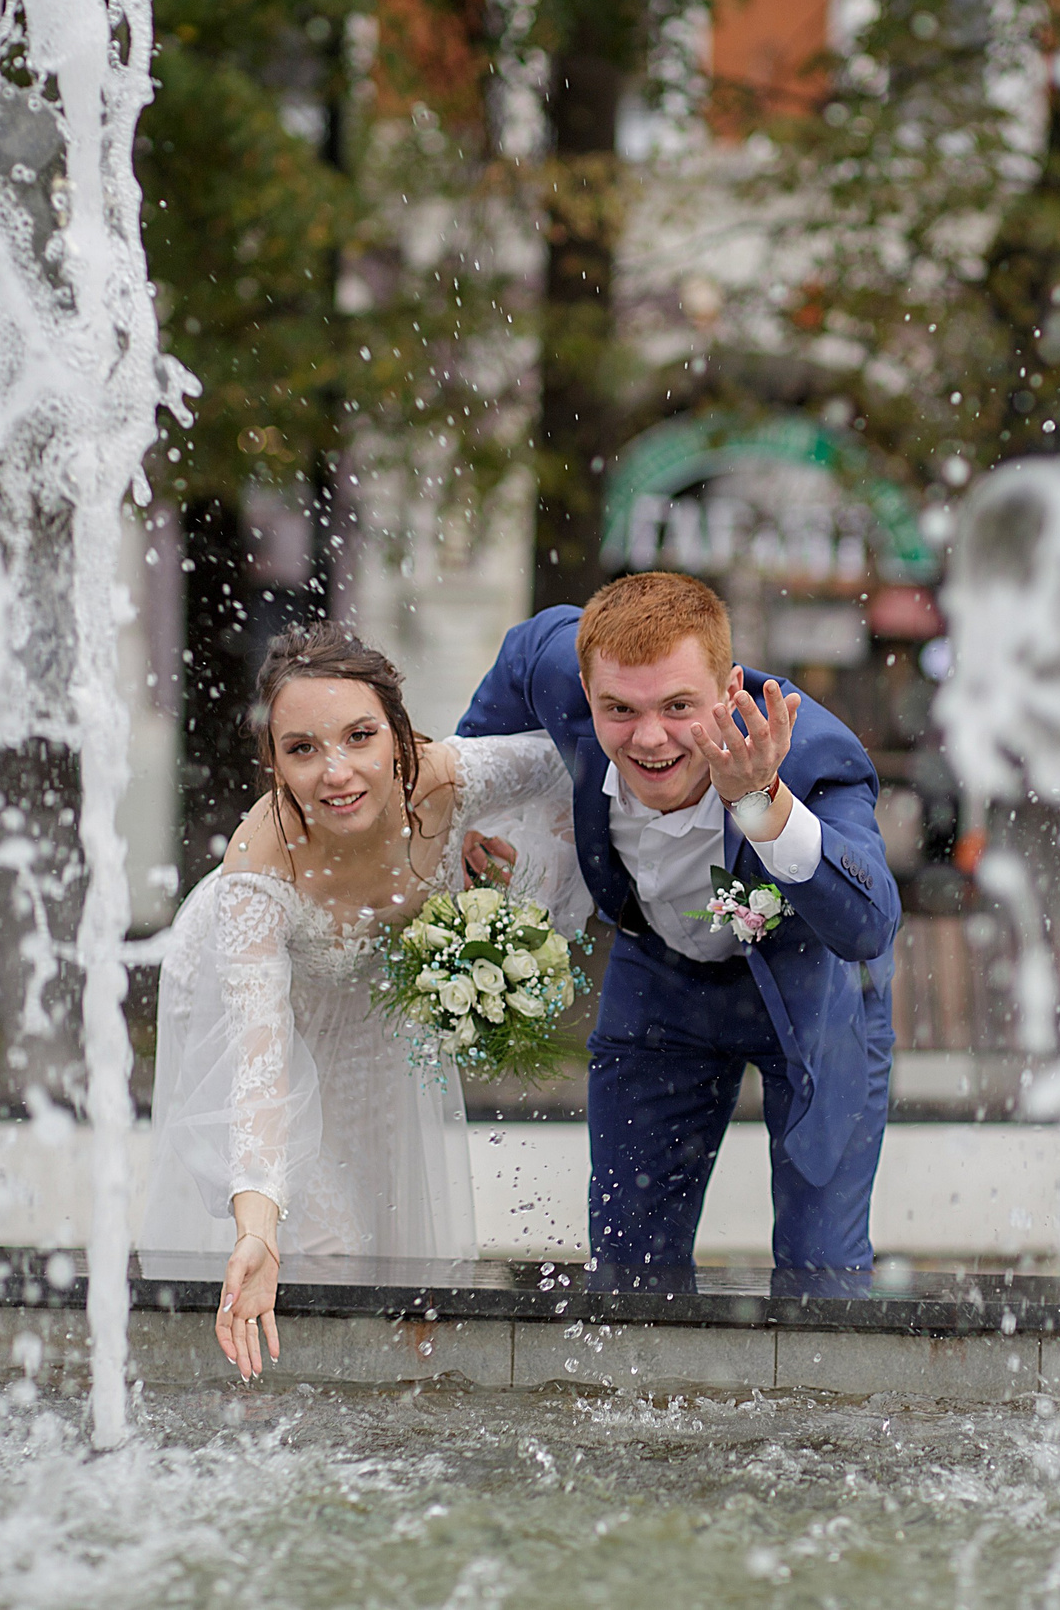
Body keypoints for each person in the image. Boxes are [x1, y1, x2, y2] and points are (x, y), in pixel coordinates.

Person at [138, 625, 584, 1378]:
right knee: (322, 1235)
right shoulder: (257, 876)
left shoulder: (449, 780)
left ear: (400, 737)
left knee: (387, 1215)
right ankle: (281, 1397)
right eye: (302, 748)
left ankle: (394, 1399)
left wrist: (506, 848)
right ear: (273, 761)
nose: (336, 772)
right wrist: (256, 1226)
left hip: (367, 1001)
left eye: (359, 736)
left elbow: (573, 760)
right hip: (247, 998)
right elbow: (259, 1073)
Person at [455, 572, 901, 1273]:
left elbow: (869, 926)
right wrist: (465, 807)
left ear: (730, 690)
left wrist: (759, 804)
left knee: (823, 1273)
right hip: (660, 980)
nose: (650, 737)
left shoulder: (811, 751)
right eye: (620, 710)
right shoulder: (557, 668)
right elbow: (520, 656)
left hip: (812, 991)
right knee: (629, 1266)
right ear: (585, 688)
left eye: (678, 705)